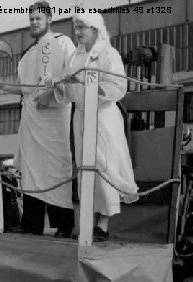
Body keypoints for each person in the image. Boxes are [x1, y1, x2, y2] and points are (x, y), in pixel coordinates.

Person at [44, 12, 138, 241]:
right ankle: (88, 223)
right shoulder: (75, 56)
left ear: (95, 28)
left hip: (103, 118)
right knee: (84, 168)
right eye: (76, 27)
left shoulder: (109, 54)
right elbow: (67, 93)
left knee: (103, 167)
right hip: (82, 117)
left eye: (82, 27)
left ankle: (103, 225)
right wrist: (56, 84)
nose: (78, 32)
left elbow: (117, 87)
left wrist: (86, 83)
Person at [0, 0, 75, 237]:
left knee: (58, 170)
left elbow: (72, 75)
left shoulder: (63, 43)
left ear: (49, 19)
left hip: (56, 120)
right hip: (31, 121)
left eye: (38, 18)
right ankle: (32, 225)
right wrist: (1, 85)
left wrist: (51, 92)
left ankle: (64, 225)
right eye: (31, 19)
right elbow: (24, 88)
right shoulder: (27, 56)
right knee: (30, 171)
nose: (34, 23)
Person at [1, 159, 21, 233]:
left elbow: (15, 188)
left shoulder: (13, 178)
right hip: (6, 200)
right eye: (13, 168)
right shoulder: (2, 177)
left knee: (15, 213)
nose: (15, 170)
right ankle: (7, 227)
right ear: (8, 169)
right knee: (7, 213)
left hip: (13, 199)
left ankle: (15, 226)